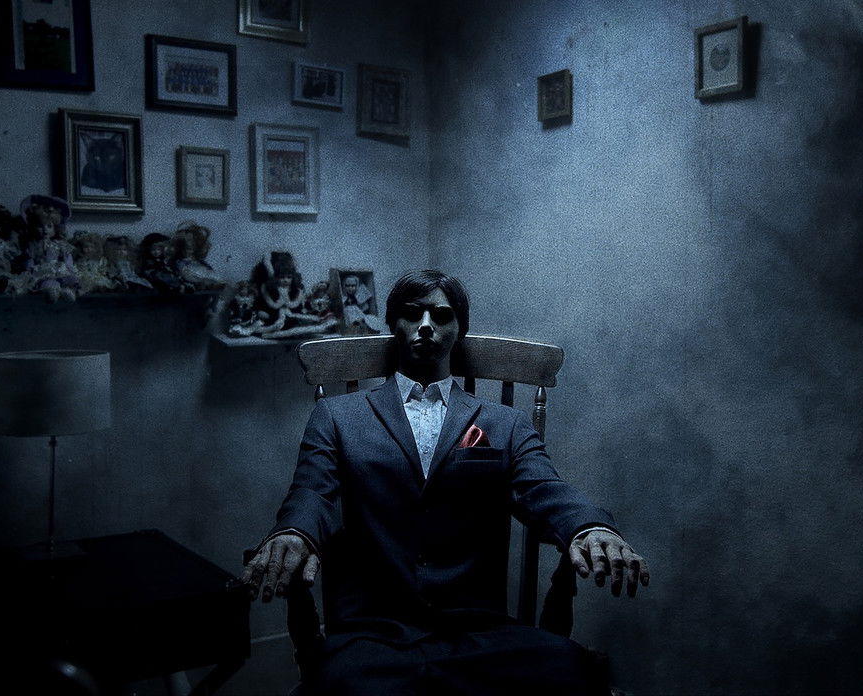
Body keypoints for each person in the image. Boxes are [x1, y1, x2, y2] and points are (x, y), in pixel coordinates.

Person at [242, 269, 649, 695]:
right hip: (373, 635)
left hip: (479, 633)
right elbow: (312, 492)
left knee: (573, 669)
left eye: (440, 315)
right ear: (393, 323)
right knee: (341, 686)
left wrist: (590, 527)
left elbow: (544, 489)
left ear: (459, 329)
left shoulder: (505, 423)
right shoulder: (338, 416)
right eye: (411, 313)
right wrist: (294, 532)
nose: (425, 325)